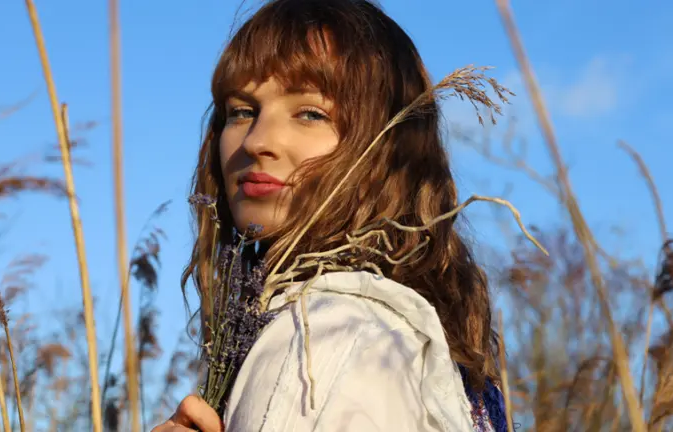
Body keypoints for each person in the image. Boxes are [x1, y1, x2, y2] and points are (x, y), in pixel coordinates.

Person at [153, 0, 509, 430]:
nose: (257, 141)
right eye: (242, 111)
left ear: (386, 148)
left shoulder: (325, 341)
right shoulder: (389, 334)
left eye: (310, 113)